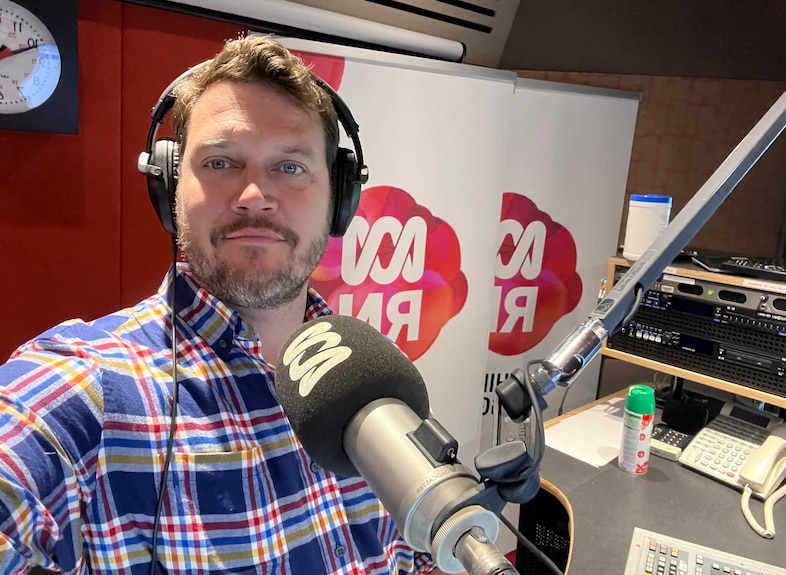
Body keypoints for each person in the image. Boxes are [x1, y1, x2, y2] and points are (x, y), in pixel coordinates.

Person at [0, 35, 459, 575]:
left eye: (290, 167)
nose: (253, 196)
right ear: (170, 188)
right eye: (220, 163)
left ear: (338, 197)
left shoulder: (364, 378)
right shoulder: (82, 389)